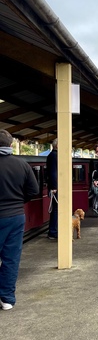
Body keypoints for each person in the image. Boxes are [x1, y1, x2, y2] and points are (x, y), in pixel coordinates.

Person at [0, 129, 39, 310]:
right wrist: (17, 202)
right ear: (9, 145)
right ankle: (7, 299)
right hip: (15, 217)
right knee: (11, 259)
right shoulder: (22, 164)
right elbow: (33, 191)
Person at [46, 138, 58, 240]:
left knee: (56, 209)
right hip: (56, 188)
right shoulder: (54, 156)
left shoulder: (52, 155)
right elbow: (53, 172)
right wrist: (54, 187)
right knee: (56, 210)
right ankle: (53, 231)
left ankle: (54, 230)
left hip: (55, 186)